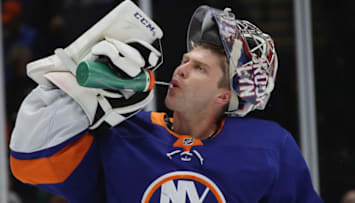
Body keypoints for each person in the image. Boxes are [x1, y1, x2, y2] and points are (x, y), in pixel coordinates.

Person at [9, 2, 323, 202]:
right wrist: (75, 90)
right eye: (185, 60)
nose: (181, 69)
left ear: (225, 95)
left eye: (199, 68)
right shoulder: (123, 134)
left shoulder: (269, 146)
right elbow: (30, 162)